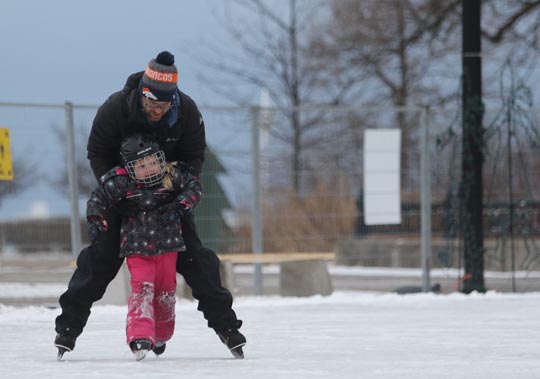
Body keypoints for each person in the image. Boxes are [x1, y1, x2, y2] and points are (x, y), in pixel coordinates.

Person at [54, 51, 246, 360]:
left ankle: (227, 327)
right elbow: (97, 152)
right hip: (124, 197)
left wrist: (175, 187)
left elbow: (195, 157)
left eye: (163, 106)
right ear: (142, 94)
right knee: (99, 262)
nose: (156, 111)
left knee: (198, 261)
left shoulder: (187, 112)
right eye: (151, 105)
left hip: (166, 202)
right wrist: (114, 183)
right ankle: (68, 328)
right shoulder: (115, 108)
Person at [85, 133, 202, 361]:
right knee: (142, 289)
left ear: (160, 160)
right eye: (141, 165)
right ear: (130, 168)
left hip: (168, 247)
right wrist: (95, 218)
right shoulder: (122, 183)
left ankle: (161, 335)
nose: (148, 169)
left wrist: (181, 204)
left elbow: (194, 187)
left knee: (166, 291)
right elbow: (98, 198)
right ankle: (140, 336)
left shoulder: (172, 177)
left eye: (152, 163)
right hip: (137, 249)